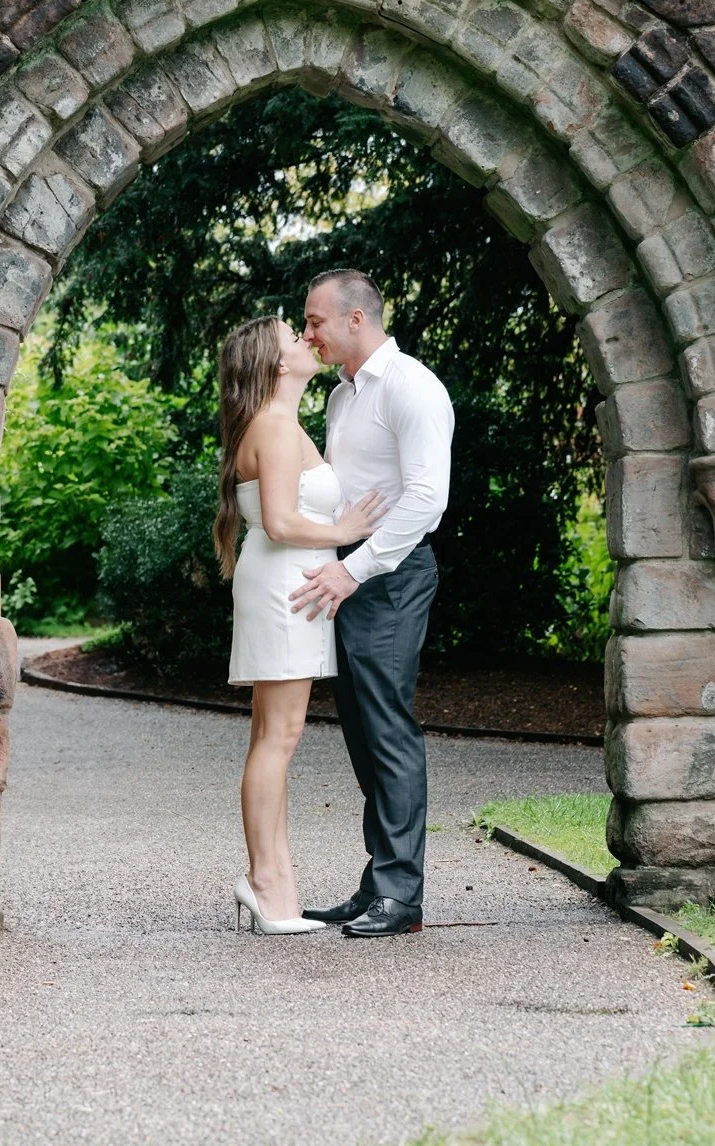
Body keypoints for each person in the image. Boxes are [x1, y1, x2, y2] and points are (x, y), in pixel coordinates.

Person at [292, 269, 455, 938]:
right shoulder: (340, 398)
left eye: (316, 322)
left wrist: (353, 571)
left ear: (357, 319)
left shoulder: (412, 387)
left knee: (388, 726)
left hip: (389, 577)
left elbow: (425, 499)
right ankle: (378, 882)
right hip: (351, 577)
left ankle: (401, 895)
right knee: (361, 730)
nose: (309, 334)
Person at [217, 315, 387, 936]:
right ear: (276, 362)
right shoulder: (276, 428)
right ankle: (266, 883)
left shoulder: (276, 425)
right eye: (295, 336)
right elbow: (282, 521)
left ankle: (276, 882)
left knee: (274, 735)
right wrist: (345, 534)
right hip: (286, 588)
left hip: (286, 585)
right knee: (277, 738)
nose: (307, 341)